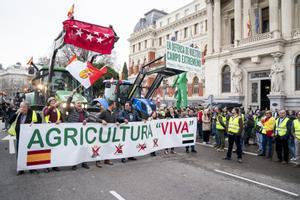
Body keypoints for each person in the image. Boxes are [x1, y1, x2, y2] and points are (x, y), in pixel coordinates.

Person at [8, 101, 42, 175]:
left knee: (31, 153)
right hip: (19, 136)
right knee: (19, 153)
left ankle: (32, 169)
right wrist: (15, 114)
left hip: (29, 138)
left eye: (23, 107)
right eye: (20, 107)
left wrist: (35, 123)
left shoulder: (33, 113)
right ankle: (21, 168)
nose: (21, 109)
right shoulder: (18, 114)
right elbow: (9, 121)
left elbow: (40, 121)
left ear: (27, 107)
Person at [65, 90, 90, 170]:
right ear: (74, 105)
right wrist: (72, 94)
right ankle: (74, 164)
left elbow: (89, 117)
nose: (80, 104)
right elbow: (68, 103)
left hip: (83, 134)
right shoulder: (71, 110)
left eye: (80, 103)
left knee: (83, 147)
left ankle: (84, 162)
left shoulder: (84, 112)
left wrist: (86, 120)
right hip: (74, 134)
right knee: (74, 148)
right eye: (78, 103)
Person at [96, 100, 123, 165]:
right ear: (112, 105)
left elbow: (114, 121)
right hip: (103, 133)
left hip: (110, 134)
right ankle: (98, 161)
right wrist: (102, 120)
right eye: (115, 104)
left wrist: (116, 122)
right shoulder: (104, 112)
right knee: (101, 147)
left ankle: (107, 160)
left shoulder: (113, 113)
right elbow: (97, 119)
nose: (115, 106)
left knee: (108, 146)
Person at [43, 97, 63, 172]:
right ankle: (47, 166)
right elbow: (46, 114)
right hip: (48, 131)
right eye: (52, 101)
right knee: (48, 149)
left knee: (56, 149)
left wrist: (60, 121)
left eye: (54, 101)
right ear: (49, 102)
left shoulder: (58, 110)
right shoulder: (47, 108)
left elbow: (61, 119)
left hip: (56, 132)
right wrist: (52, 107)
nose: (54, 102)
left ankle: (54, 165)